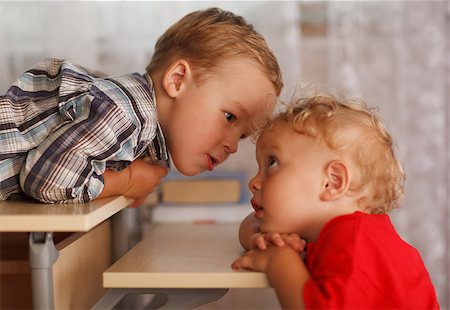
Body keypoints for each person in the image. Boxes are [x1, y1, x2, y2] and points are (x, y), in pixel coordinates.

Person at [0, 7, 282, 203]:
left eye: (242, 135)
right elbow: (45, 181)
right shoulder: (120, 111)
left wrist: (128, 185)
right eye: (230, 117)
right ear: (178, 79)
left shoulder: (140, 126)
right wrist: (128, 182)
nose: (233, 146)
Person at [232, 95, 439, 309]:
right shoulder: (333, 232)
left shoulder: (354, 245)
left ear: (333, 182)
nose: (254, 182)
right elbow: (251, 226)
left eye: (272, 163)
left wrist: (279, 261)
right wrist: (263, 239)